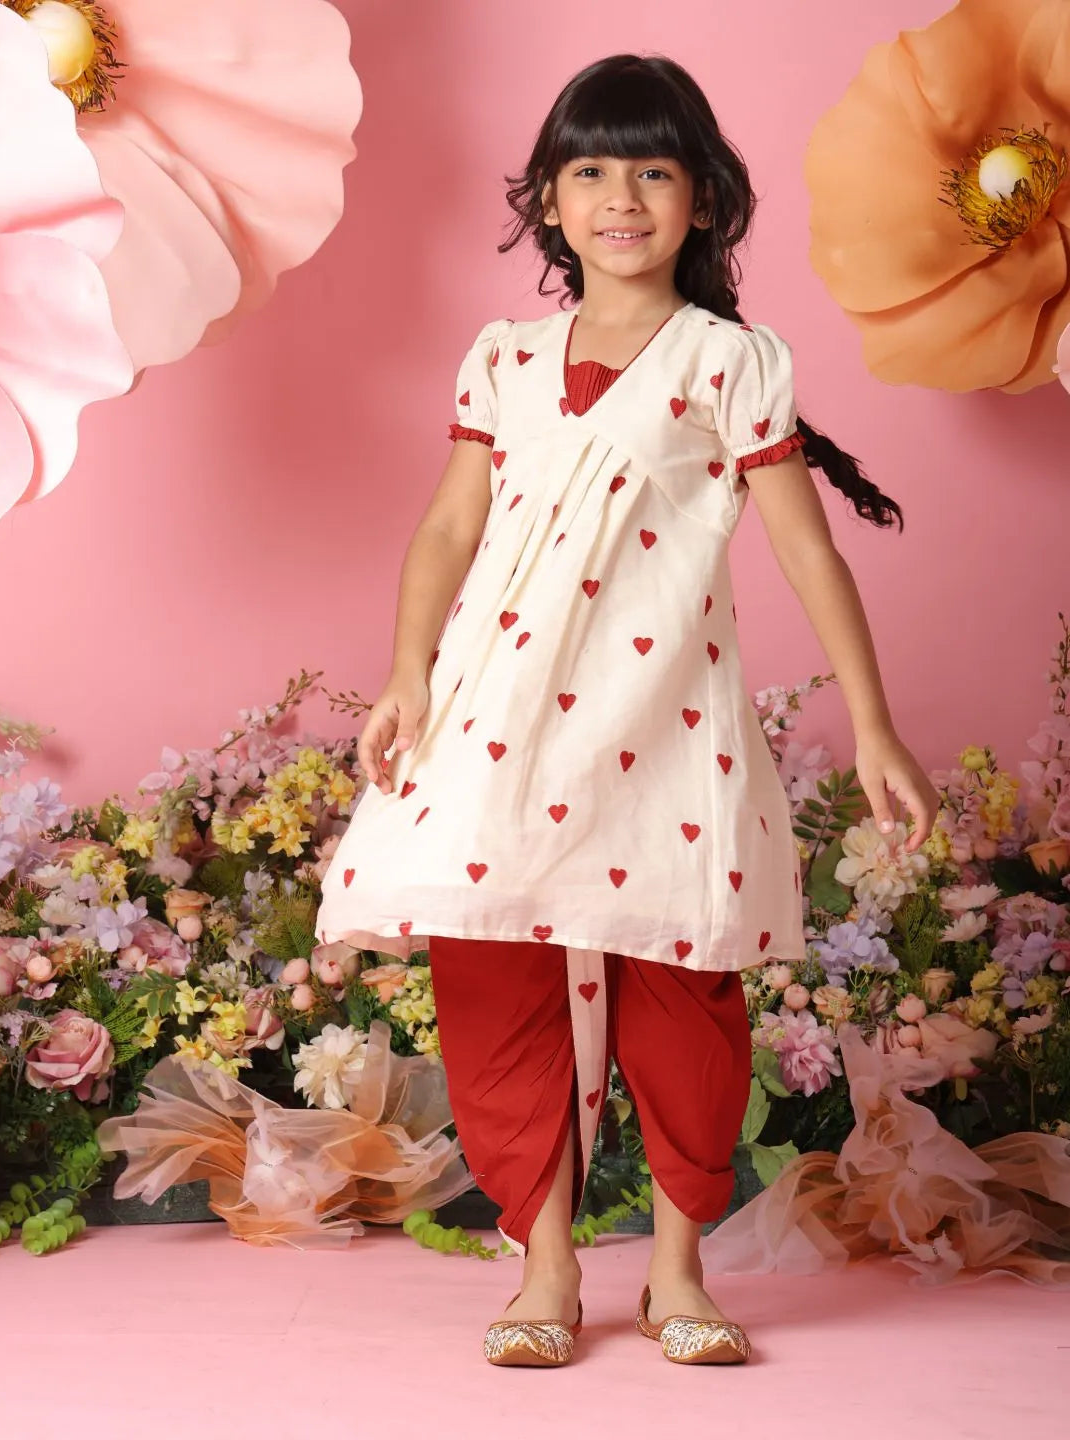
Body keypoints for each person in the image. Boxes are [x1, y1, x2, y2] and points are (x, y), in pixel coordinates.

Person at [314, 52, 940, 1367]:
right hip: (497, 719)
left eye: (654, 170)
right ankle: (545, 1269)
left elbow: (808, 552)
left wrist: (876, 726)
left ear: (704, 200)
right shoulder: (504, 360)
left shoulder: (733, 363)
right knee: (496, 983)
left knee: (685, 994)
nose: (621, 196)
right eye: (590, 169)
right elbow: (446, 530)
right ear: (546, 198)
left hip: (671, 721)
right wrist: (409, 670)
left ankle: (675, 1273)